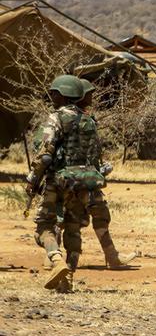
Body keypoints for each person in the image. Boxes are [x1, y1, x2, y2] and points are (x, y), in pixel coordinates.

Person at [26, 75, 107, 291]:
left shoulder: (57, 118)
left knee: (44, 225)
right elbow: (96, 154)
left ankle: (56, 260)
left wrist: (33, 180)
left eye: (53, 93)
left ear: (62, 95)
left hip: (58, 180)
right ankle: (67, 279)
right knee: (73, 228)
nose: (51, 96)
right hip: (84, 182)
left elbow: (44, 155)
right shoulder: (89, 120)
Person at [75, 79, 134, 268]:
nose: (92, 97)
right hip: (85, 177)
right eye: (89, 94)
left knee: (72, 215)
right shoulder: (82, 120)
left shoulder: (61, 117)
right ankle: (112, 258)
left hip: (73, 176)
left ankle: (53, 257)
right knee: (96, 214)